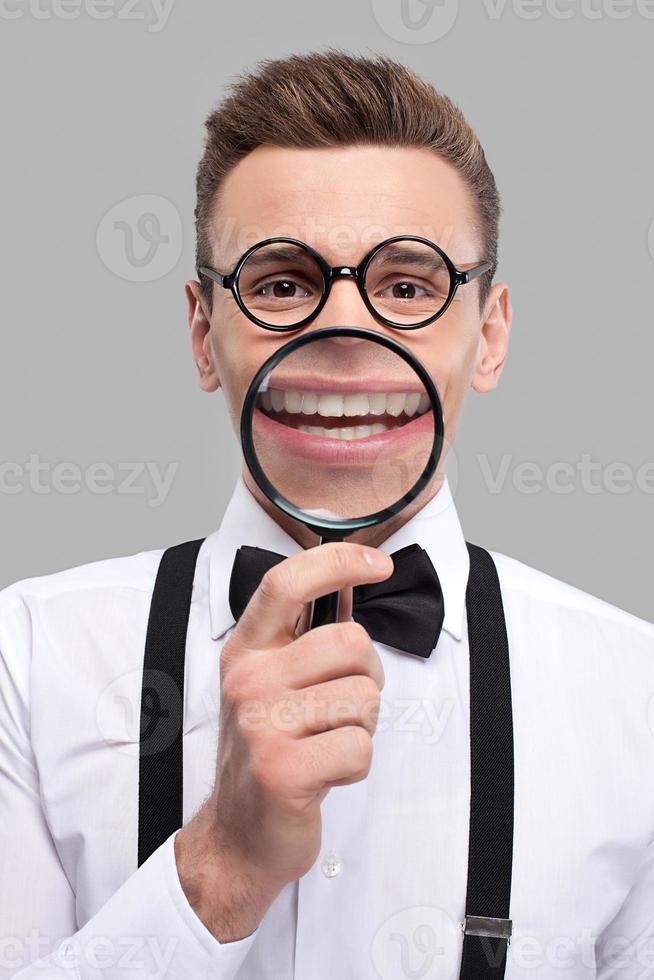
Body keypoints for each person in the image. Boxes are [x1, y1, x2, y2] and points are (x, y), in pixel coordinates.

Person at [1, 49, 653, 980]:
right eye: (280, 284)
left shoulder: (636, 692)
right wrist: (219, 869)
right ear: (201, 333)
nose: (342, 338)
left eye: (408, 285)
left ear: (491, 334)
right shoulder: (28, 656)